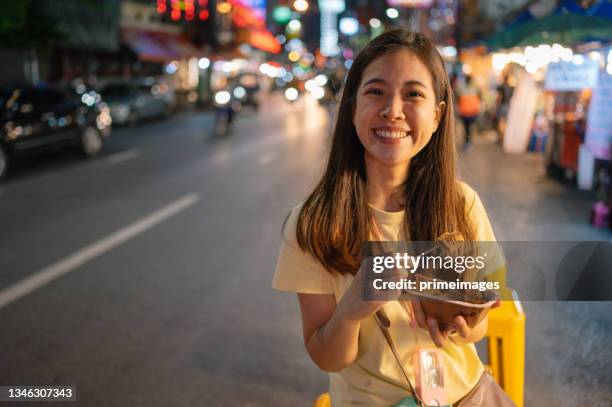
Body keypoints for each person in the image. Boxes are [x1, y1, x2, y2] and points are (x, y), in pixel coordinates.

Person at [273, 30, 506, 406]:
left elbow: (479, 327)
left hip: (467, 396)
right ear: (352, 109)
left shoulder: (461, 204)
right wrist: (351, 310)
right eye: (376, 91)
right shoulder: (313, 225)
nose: (393, 110)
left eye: (413, 94)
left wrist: (470, 320)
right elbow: (326, 356)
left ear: (437, 114)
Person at [456, 75, 481, 148]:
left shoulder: (461, 89)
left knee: (466, 128)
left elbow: (458, 99)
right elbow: (479, 98)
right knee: (469, 128)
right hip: (472, 112)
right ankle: (468, 141)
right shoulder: (475, 88)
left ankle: (467, 141)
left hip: (464, 112)